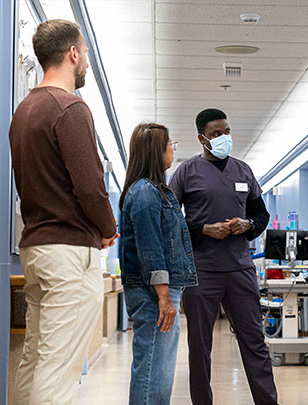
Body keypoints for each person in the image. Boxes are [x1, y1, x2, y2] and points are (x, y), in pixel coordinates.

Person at [9, 19, 119, 405]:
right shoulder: (70, 107)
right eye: (85, 53)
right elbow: (90, 186)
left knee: (36, 359)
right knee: (59, 372)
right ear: (73, 53)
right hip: (69, 253)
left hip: (37, 251)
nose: (86, 61)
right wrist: (108, 227)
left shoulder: (24, 110)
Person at [168, 108, 276, 405]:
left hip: (240, 269)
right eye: (217, 134)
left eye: (227, 131)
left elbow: (261, 213)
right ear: (202, 138)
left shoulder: (243, 171)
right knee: (200, 346)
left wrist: (248, 225)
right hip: (202, 271)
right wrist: (203, 229)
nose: (224, 137)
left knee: (255, 342)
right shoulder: (186, 172)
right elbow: (170, 221)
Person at [118, 123, 197, 405]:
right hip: (154, 293)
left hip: (158, 291)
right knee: (153, 369)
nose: (172, 151)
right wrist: (164, 297)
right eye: (169, 146)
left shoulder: (153, 191)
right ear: (156, 152)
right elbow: (150, 248)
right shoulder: (145, 193)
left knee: (157, 366)